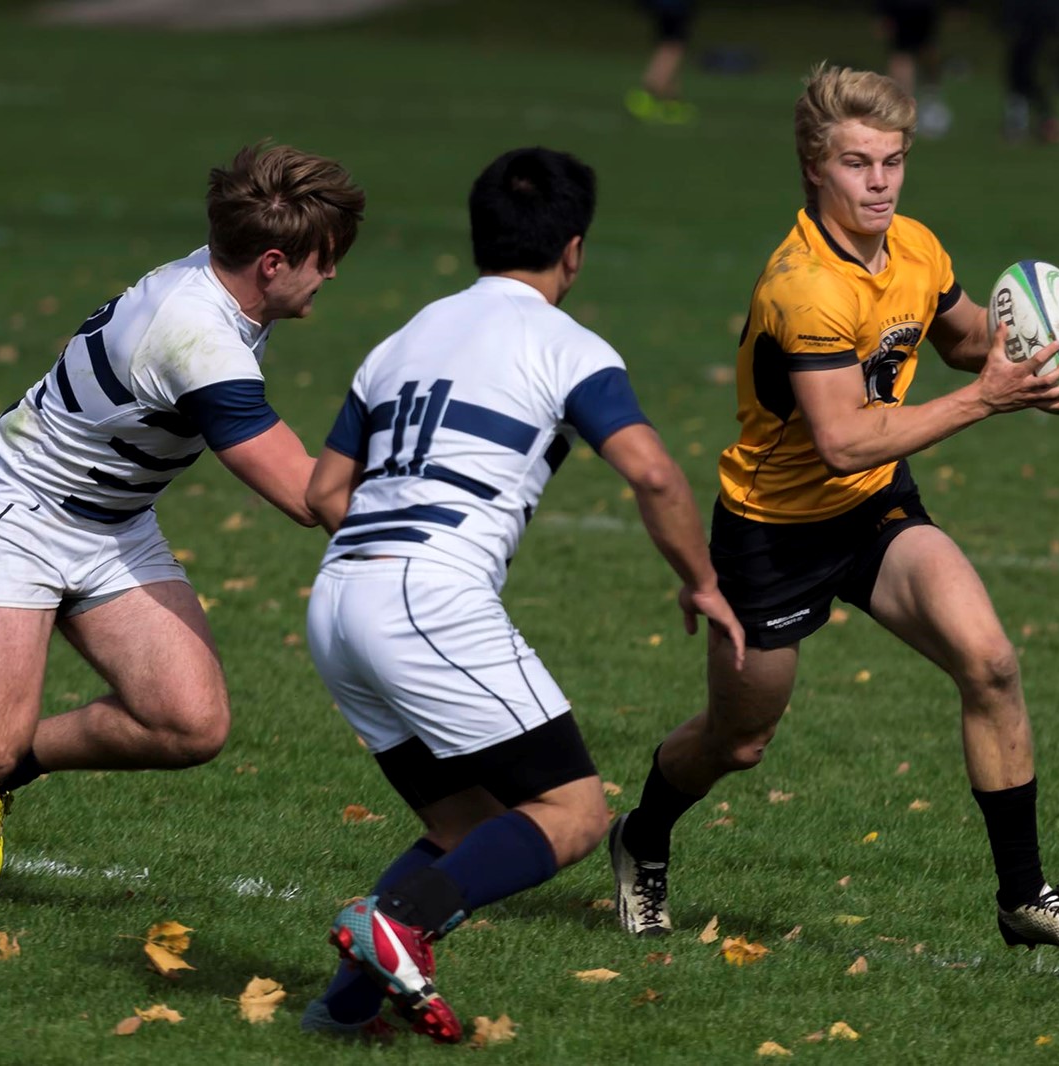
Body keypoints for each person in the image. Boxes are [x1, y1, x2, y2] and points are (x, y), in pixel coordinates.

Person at [608, 64, 1059, 964]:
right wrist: (987, 401)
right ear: (816, 168)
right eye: (858, 164)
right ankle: (641, 837)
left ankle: (1024, 897)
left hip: (876, 511)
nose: (880, 182)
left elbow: (967, 340)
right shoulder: (803, 286)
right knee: (740, 742)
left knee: (992, 663)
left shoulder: (916, 248)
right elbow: (845, 437)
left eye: (892, 161)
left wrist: (1044, 335)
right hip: (772, 531)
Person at [0, 143, 366, 903]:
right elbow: (308, 497)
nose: (334, 273)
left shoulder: (223, 275)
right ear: (273, 263)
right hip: (14, 510)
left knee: (188, 724)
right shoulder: (198, 338)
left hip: (113, 523)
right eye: (326, 258)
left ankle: (11, 768)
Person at [297, 146, 745, 1042]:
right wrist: (701, 582)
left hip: (336, 602)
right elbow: (655, 474)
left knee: (470, 825)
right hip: (426, 598)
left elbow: (320, 494)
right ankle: (398, 928)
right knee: (572, 812)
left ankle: (342, 1012)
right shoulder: (566, 345)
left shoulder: (404, 338)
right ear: (571, 251)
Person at [877, 0, 952, 137]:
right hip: (903, 8)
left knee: (925, 51)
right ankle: (904, 107)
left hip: (922, 8)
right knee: (902, 55)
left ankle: (928, 97)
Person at [626, 0, 700, 125]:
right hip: (674, 7)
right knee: (672, 49)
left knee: (667, 47)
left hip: (665, 6)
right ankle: (646, 94)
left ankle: (672, 103)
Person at [1003, 0, 1059, 142]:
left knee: (1025, 72)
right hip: (1027, 19)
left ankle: (1045, 120)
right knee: (1019, 71)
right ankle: (1023, 118)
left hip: (1036, 19)